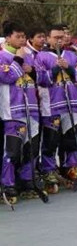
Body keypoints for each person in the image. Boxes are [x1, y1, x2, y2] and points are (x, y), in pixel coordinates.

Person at [37, 24, 77, 192]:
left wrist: (68, 68)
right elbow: (41, 79)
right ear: (48, 38)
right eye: (55, 37)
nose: (58, 40)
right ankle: (49, 170)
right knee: (51, 142)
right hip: (52, 106)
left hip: (71, 105)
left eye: (61, 37)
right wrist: (56, 68)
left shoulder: (71, 55)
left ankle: (70, 167)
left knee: (71, 140)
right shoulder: (41, 56)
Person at [0, 22, 42, 203]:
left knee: (31, 148)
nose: (22, 40)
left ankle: (27, 180)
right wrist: (17, 60)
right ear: (8, 37)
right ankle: (7, 184)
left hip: (32, 109)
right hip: (13, 111)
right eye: (18, 36)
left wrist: (32, 71)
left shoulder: (28, 55)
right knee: (12, 151)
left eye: (24, 36)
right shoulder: (2, 56)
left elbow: (40, 78)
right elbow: (7, 77)